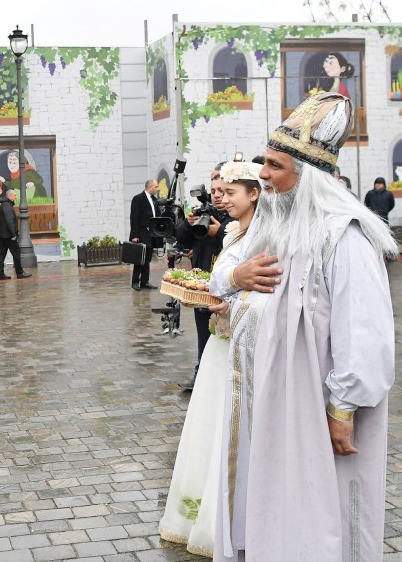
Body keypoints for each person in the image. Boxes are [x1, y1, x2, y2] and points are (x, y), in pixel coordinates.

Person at [211, 92, 397, 561]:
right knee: (275, 507)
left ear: (306, 175)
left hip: (316, 411)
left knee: (320, 511)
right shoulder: (271, 225)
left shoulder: (344, 235)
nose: (264, 175)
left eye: (274, 166)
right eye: (264, 163)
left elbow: (365, 332)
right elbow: (221, 273)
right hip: (270, 405)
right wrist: (236, 277)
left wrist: (343, 408)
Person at [159, 158, 262, 558]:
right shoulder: (235, 230)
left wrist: (230, 301)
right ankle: (201, 508)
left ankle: (233, 517)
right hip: (223, 330)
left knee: (233, 423)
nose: (221, 197)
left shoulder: (264, 234)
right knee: (208, 421)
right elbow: (221, 277)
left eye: (229, 191)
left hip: (239, 334)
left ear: (254, 192)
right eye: (218, 190)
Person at [173, 163, 230, 389]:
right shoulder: (204, 211)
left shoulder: (239, 215)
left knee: (224, 338)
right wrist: (188, 225)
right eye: (213, 188)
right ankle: (201, 377)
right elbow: (182, 240)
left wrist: (220, 232)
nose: (216, 195)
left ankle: (221, 383)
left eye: (221, 188)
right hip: (203, 287)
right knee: (203, 337)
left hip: (227, 290)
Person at [0, 185, 31, 280]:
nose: (16, 197)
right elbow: (9, 221)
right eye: (14, 195)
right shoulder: (7, 206)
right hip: (8, 235)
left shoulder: (5, 204)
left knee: (2, 254)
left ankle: (0, 274)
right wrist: (13, 235)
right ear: (10, 196)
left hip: (3, 235)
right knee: (16, 253)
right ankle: (20, 273)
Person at [129, 179, 159, 290]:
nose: (157, 189)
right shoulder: (138, 199)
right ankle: (135, 281)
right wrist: (134, 235)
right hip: (141, 233)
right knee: (139, 258)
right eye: (156, 187)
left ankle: (145, 281)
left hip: (151, 233)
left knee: (147, 259)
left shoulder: (155, 200)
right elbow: (134, 218)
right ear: (149, 187)